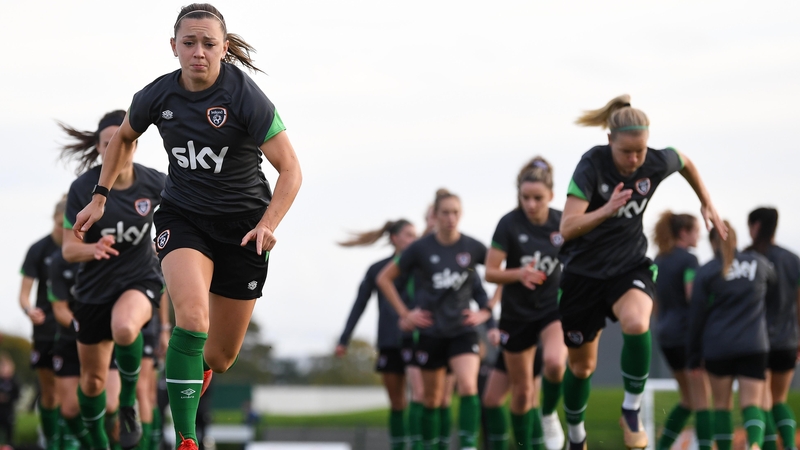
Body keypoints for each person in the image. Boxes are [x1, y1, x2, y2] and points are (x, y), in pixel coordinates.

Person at [71, 5, 302, 450]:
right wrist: (99, 197)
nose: (198, 52)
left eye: (209, 44)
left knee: (219, 354)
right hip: (183, 218)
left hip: (244, 230)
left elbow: (290, 169)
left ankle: (197, 372)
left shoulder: (245, 97)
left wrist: (269, 224)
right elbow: (123, 138)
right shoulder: (157, 96)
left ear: (225, 48)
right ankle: (186, 440)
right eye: (189, 43)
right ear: (173, 46)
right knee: (191, 319)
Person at [558, 94, 726, 450]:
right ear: (609, 142)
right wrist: (605, 211)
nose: (635, 160)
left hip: (627, 265)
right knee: (581, 369)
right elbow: (567, 227)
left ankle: (630, 410)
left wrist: (705, 199)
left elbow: (683, 161)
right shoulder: (591, 165)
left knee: (637, 322)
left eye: (641, 151)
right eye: (627, 152)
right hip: (582, 275)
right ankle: (575, 437)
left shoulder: (653, 161)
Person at [60, 109, 166, 450]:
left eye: (122, 142)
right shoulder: (82, 188)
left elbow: (184, 218)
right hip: (93, 292)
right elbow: (68, 250)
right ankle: (97, 443)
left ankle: (128, 405)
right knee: (91, 383)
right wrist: (93, 249)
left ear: (133, 145)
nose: (114, 149)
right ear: (98, 149)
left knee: (124, 327)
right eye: (107, 144)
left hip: (139, 279)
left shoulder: (155, 183)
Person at [377, 189, 492, 450]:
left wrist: (487, 310)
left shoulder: (472, 246)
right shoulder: (420, 248)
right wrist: (406, 314)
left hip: (462, 330)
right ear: (435, 216)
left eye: (455, 212)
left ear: (460, 214)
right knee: (431, 399)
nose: (450, 218)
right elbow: (384, 278)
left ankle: (468, 446)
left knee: (468, 386)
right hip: (431, 331)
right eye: (445, 212)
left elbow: (501, 270)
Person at [482, 156, 567, 450]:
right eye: (525, 197)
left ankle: (548, 414)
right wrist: (519, 273)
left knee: (556, 363)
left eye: (538, 198)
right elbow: (490, 272)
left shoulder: (562, 222)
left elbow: (583, 258)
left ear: (551, 196)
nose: (531, 204)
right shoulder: (508, 223)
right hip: (516, 315)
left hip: (551, 309)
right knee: (521, 392)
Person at [687, 223, 775, 450]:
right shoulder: (759, 263)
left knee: (722, 405)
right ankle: (754, 443)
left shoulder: (707, 270)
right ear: (735, 239)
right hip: (755, 344)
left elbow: (696, 315)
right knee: (752, 403)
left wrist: (693, 354)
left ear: (713, 242)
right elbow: (775, 294)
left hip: (719, 346)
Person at [335, 219, 419, 450]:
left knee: (422, 399)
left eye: (416, 235)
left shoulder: (422, 265)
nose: (415, 239)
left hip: (419, 341)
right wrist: (344, 339)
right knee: (397, 402)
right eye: (410, 235)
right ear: (395, 238)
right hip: (390, 341)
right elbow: (359, 304)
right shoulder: (377, 269)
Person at [49, 247, 124, 450]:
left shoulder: (113, 253)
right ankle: (92, 445)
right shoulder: (59, 260)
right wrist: (82, 325)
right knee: (70, 410)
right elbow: (59, 308)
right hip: (69, 341)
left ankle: (111, 440)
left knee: (110, 405)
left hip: (104, 339)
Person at [650, 211, 709, 450]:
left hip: (665, 334)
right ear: (684, 232)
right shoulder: (689, 260)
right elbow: (691, 294)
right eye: (696, 231)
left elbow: (653, 302)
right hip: (687, 335)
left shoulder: (658, 259)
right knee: (703, 399)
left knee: (688, 399)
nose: (699, 236)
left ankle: (662, 446)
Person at [747, 208, 800, 450]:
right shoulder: (792, 259)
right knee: (779, 399)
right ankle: (789, 446)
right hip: (788, 341)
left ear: (755, 226)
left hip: (757, 341)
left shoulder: (748, 258)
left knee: (760, 402)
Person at [19, 196, 65, 450]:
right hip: (46, 329)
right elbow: (24, 293)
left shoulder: (83, 248)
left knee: (73, 391)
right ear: (53, 220)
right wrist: (29, 309)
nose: (62, 229)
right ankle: (51, 442)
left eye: (66, 223)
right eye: (59, 223)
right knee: (50, 392)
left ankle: (74, 441)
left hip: (74, 329)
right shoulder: (38, 249)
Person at [0, 354, 20, 447]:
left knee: (9, 434)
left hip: (8, 412)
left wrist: (7, 398)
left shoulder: (14, 382)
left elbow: (17, 396)